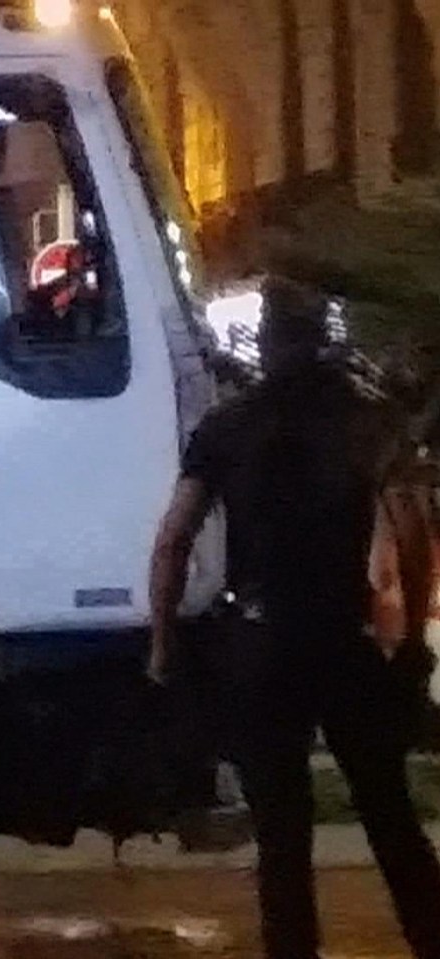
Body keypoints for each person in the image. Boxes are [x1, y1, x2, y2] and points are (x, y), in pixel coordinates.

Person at [148, 277, 440, 959]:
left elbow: (173, 537)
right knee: (390, 815)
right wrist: (406, 641)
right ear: (322, 339)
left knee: (282, 834)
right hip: (343, 638)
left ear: (266, 341)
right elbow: (411, 530)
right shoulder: (371, 418)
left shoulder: (225, 426)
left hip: (259, 644)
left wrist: (162, 640)